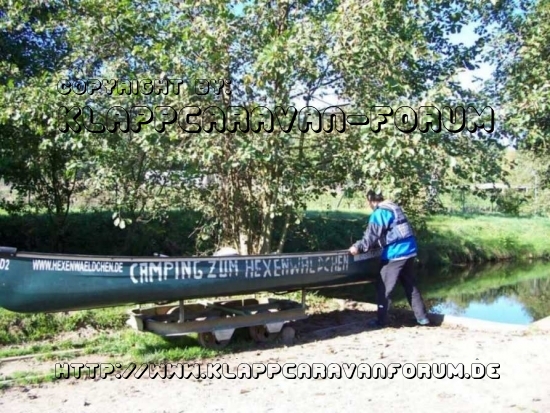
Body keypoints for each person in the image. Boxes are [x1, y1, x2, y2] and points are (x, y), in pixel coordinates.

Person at [348, 189, 430, 328]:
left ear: (370, 200)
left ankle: (382, 321)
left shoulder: (380, 213)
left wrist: (357, 247)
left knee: (384, 287)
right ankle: (423, 318)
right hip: (409, 250)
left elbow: (371, 236)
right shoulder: (394, 207)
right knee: (410, 285)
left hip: (395, 254)